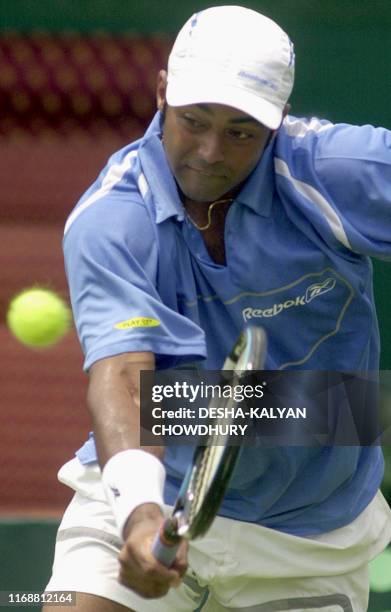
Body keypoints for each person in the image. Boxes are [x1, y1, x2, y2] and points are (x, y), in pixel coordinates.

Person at [43, 5, 391, 611]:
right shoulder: (110, 220)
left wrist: (342, 408)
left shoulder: (338, 173)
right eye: (193, 120)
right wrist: (140, 516)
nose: (208, 151)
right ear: (162, 93)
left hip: (310, 541)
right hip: (153, 497)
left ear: (278, 122)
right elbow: (123, 377)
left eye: (239, 132)